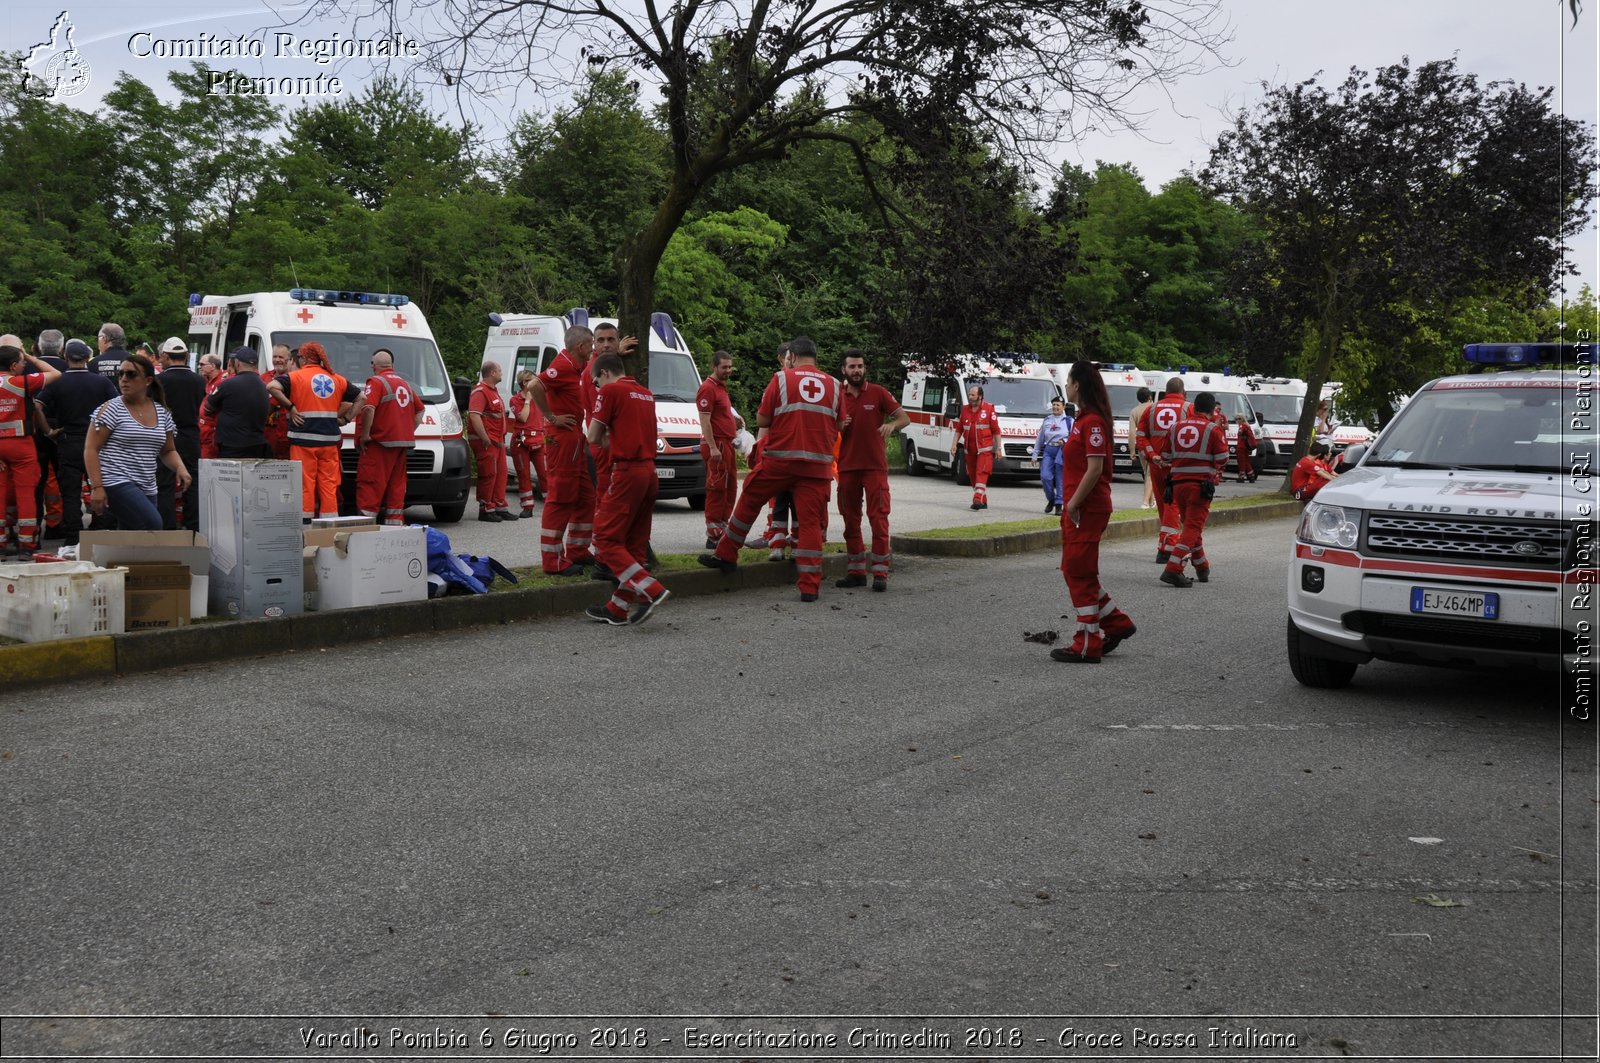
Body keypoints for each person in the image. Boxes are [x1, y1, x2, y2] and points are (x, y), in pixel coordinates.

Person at [699, 336, 841, 602]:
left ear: (792, 357)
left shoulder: (782, 379)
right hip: (817, 465)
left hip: (781, 460)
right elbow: (841, 424)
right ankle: (810, 586)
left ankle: (726, 553)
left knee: (751, 497)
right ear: (815, 357)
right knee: (810, 523)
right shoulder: (834, 385)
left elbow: (763, 418)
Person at [1052, 361, 1137, 664]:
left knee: (1079, 571)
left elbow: (1096, 468)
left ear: (1077, 385)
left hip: (1087, 508)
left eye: (1069, 381)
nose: (1065, 386)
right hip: (1079, 507)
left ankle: (1087, 643)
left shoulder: (1093, 423)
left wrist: (1073, 502)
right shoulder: (1082, 420)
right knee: (1073, 569)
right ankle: (1116, 623)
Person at [584, 353, 671, 625]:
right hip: (649, 471)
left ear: (605, 373)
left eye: (596, 381)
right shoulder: (645, 394)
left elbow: (593, 436)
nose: (597, 387)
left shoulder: (610, 392)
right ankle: (618, 608)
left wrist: (610, 437)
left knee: (606, 539)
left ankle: (651, 589)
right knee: (633, 545)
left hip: (627, 471)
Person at [83, 351, 190, 532]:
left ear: (148, 380)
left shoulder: (161, 412)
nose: (124, 379)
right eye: (121, 374)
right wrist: (97, 487)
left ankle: (121, 561)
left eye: (131, 374)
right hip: (115, 481)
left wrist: (180, 468)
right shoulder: (111, 409)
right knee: (152, 524)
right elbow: (91, 448)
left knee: (133, 534)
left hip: (147, 485)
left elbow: (168, 450)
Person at [834, 349, 909, 591]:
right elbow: (824, 427)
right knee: (850, 521)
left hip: (875, 467)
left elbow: (904, 418)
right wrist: (837, 425)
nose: (857, 370)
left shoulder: (878, 392)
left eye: (860, 366)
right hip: (847, 467)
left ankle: (880, 573)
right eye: (852, 367)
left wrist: (891, 424)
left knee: (878, 520)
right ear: (843, 370)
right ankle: (856, 571)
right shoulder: (836, 396)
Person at [529, 325, 597, 574]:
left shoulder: (576, 366)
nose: (592, 349)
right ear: (581, 347)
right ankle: (553, 561)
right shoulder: (563, 365)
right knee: (561, 497)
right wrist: (551, 417)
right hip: (562, 438)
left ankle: (578, 551)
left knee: (586, 496)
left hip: (574, 438)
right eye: (591, 344)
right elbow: (535, 385)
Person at [268, 340, 359, 522]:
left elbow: (271, 387)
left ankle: (305, 527)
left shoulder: (296, 377)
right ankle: (329, 526)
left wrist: (291, 407)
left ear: (304, 358)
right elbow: (361, 398)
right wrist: (346, 419)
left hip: (303, 442)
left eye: (299, 356)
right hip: (329, 443)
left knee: (305, 486)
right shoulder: (337, 379)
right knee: (329, 486)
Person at [1159, 391, 1230, 588]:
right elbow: (1223, 459)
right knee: (1193, 527)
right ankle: (1174, 569)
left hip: (1177, 485)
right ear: (1212, 409)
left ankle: (1201, 566)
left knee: (1190, 524)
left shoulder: (1174, 427)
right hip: (1200, 486)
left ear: (1194, 406)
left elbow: (1165, 456)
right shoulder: (1212, 429)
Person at [0, 343, 61, 558]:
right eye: (22, 361)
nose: (25, 364)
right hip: (21, 445)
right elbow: (55, 373)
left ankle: (2, 543)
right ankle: (27, 545)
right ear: (14, 365)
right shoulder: (21, 383)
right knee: (26, 492)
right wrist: (31, 356)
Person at [354, 348, 422, 526]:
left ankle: (365, 527)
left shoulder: (376, 382)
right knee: (396, 488)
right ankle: (394, 527)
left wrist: (365, 434)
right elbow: (420, 409)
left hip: (379, 445)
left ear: (373, 366)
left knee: (370, 485)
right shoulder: (405, 384)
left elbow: (368, 408)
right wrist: (408, 429)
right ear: (392, 365)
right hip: (401, 445)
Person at [1135, 377, 1191, 564]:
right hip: (1178, 465)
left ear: (1166, 392)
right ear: (1184, 392)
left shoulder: (1151, 409)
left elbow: (1141, 437)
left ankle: (1167, 543)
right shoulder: (1189, 408)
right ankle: (1166, 547)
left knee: (1163, 504)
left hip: (1157, 465)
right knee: (1173, 504)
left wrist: (1153, 456)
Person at [156, 337, 204, 531]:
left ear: (166, 356)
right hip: (191, 435)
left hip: (166, 436)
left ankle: (167, 528)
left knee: (165, 483)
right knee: (192, 482)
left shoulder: (160, 380)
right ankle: (193, 526)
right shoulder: (199, 380)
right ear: (186, 356)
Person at [697, 350, 740, 549]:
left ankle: (722, 529)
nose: (728, 370)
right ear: (714, 367)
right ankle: (713, 534)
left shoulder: (721, 388)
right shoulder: (707, 388)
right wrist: (713, 447)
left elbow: (719, 414)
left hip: (726, 444)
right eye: (724, 367)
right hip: (717, 445)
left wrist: (734, 421)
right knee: (717, 489)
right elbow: (704, 420)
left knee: (730, 488)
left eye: (730, 367)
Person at [204, 347, 273, 458]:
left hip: (231, 445)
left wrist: (220, 409)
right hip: (256, 445)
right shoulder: (265, 386)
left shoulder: (227, 384)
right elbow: (268, 409)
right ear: (254, 365)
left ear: (237, 363)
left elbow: (207, 408)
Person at [468, 361, 512, 521]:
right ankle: (485, 508)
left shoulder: (493, 391)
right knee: (489, 474)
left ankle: (499, 506)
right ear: (492, 373)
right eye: (499, 370)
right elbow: (474, 415)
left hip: (497, 441)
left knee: (501, 474)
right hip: (487, 442)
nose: (502, 373)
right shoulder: (480, 392)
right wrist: (485, 438)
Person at [950, 384, 1000, 510]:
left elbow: (996, 431)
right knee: (972, 475)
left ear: (980, 396)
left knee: (981, 473)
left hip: (985, 450)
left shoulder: (989, 409)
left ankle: (977, 499)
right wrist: (954, 444)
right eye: (969, 395)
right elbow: (959, 429)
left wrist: (998, 448)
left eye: (973, 395)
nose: (970, 397)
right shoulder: (965, 409)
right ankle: (983, 500)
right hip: (969, 450)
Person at [509, 369, 547, 518]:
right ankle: (527, 507)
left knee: (544, 475)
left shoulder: (541, 397)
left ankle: (550, 504)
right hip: (521, 443)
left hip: (538, 440)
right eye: (533, 379)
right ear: (524, 383)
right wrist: (528, 400)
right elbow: (523, 418)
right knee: (523, 475)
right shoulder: (515, 400)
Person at [1031, 396, 1074, 515]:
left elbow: (1074, 438)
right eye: (1054, 405)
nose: (1055, 407)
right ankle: (1051, 499)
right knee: (1045, 477)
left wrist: (1065, 441)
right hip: (1049, 450)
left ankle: (1059, 504)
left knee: (1060, 478)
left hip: (1062, 451)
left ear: (1063, 407)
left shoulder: (1069, 421)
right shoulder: (1047, 420)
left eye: (1058, 405)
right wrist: (1035, 454)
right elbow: (1040, 438)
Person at [262, 344, 293, 460]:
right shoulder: (264, 377)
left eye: (281, 357)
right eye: (275, 357)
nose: (277, 360)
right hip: (268, 435)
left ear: (289, 359)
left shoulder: (295, 377)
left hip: (287, 434)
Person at [1128, 386, 1156, 508]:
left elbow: (1131, 433)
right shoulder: (1155, 408)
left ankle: (1151, 501)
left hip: (1141, 446)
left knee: (1147, 473)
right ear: (1150, 397)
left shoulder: (1134, 411)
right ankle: (1146, 502)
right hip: (1154, 445)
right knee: (1151, 474)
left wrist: (1132, 450)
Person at [196, 354, 224, 459]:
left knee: (208, 463)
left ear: (212, 366)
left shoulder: (222, 382)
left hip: (212, 431)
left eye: (202, 364)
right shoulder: (208, 380)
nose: (199, 367)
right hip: (203, 429)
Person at [1234, 413, 1258, 483]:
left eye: (1239, 419)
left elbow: (1240, 433)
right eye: (1236, 419)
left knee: (1241, 461)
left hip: (1241, 446)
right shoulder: (1248, 425)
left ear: (1242, 419)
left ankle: (1241, 476)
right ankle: (1251, 476)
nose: (1237, 420)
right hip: (1247, 446)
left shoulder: (1242, 426)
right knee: (1247, 461)